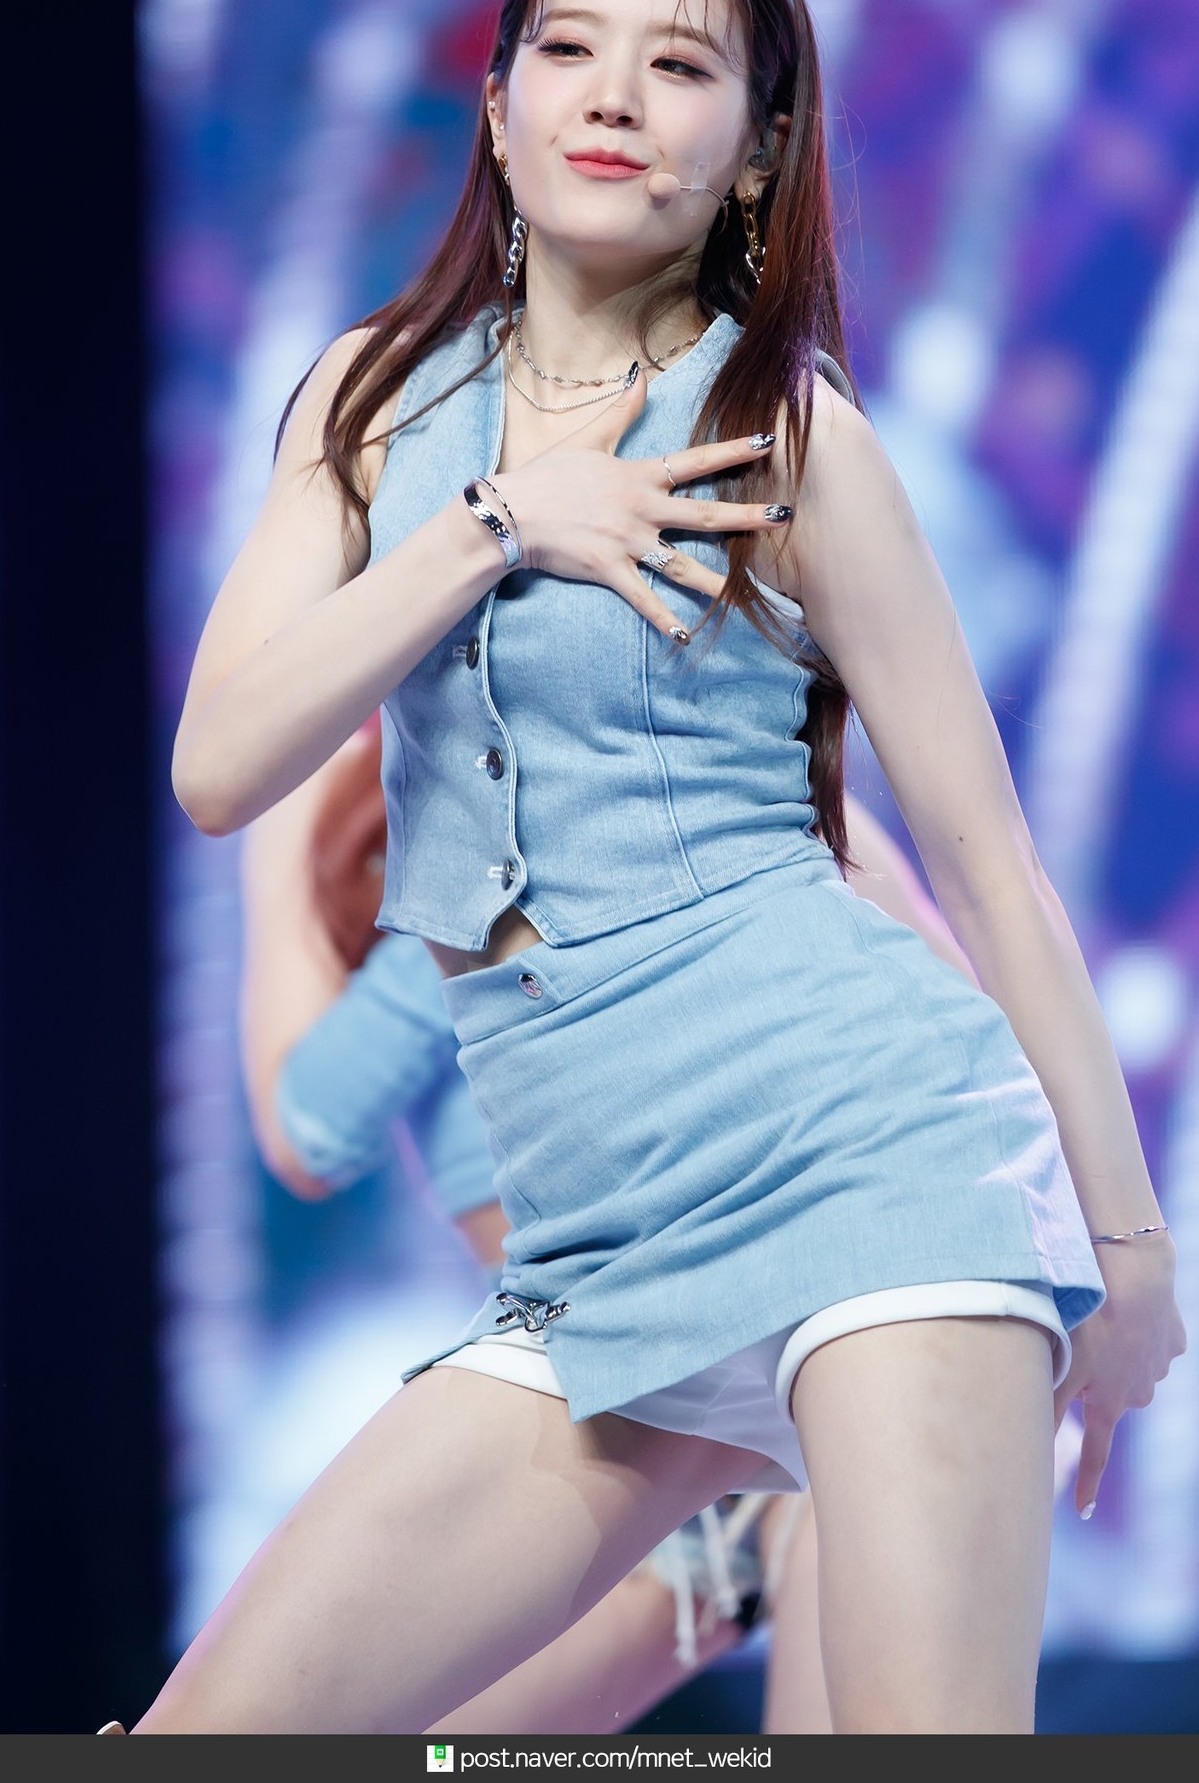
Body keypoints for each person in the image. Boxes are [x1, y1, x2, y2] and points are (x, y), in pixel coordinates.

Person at [118, 0, 1183, 1736]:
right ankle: (722, 1562)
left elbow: (990, 867)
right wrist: (501, 523)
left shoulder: (790, 435)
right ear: (499, 106)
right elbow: (221, 766)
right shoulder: (368, 405)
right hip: (594, 1250)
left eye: (681, 65)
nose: (613, 93)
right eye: (569, 46)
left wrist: (1133, 1259)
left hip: (874, 1171)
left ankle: (740, 1566)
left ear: (756, 151)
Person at [241, 717, 1062, 1732]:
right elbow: (310, 1131)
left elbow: (955, 995)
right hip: (626, 1388)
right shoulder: (375, 794)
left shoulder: (692, 763)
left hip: (819, 1338)